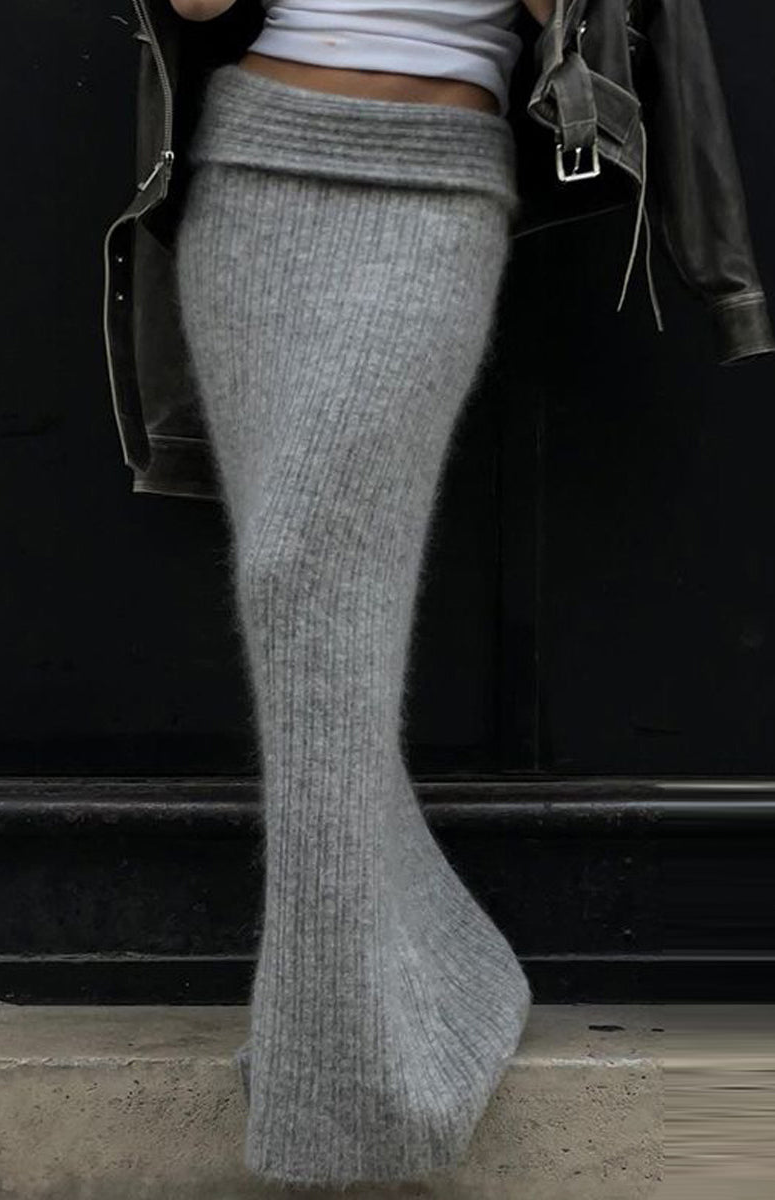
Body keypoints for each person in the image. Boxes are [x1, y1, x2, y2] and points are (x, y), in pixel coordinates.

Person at [169, 0, 551, 1187]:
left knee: (298, 579)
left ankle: (344, 1100)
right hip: (254, 168)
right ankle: (363, 1044)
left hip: (437, 183)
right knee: (301, 631)